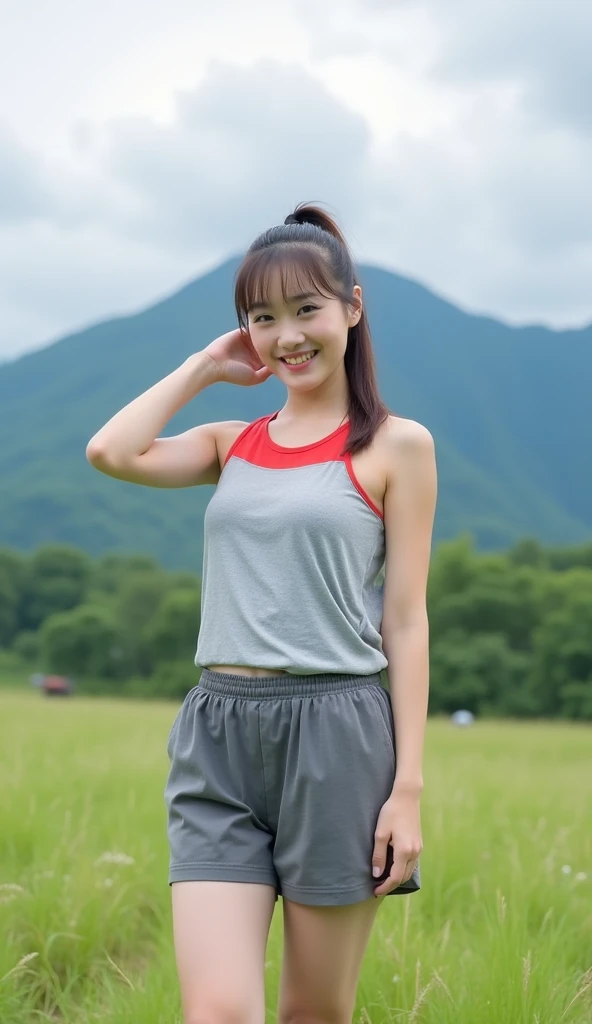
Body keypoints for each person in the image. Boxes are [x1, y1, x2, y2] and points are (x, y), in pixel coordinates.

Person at [86, 201, 438, 1024]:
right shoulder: (227, 445)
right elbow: (112, 452)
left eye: (307, 309)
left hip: (339, 734)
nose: (288, 336)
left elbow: (407, 618)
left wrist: (408, 788)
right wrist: (208, 364)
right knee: (218, 1012)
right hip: (220, 731)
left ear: (352, 307)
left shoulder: (397, 447)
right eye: (262, 318)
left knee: (313, 1013)